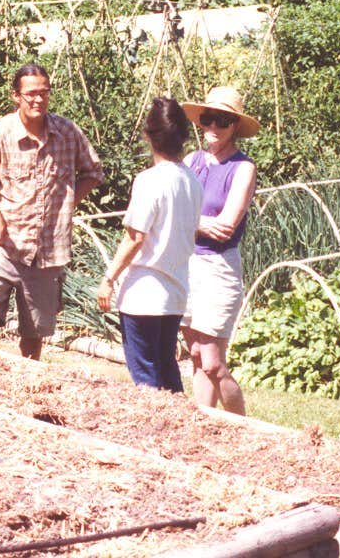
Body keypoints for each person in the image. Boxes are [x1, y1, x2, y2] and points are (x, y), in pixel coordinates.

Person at [0, 63, 103, 360]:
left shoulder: (67, 132)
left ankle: (25, 382)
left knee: (33, 334)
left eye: (44, 92)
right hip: (2, 245)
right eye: (31, 94)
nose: (38, 100)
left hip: (47, 251)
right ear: (16, 96)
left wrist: (68, 203)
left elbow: (93, 172)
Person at [96, 98, 202, 392]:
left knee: (146, 380)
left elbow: (135, 238)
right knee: (167, 371)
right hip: (175, 293)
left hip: (144, 294)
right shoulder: (192, 181)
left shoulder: (149, 181)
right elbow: (192, 235)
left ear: (148, 135)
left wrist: (109, 278)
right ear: (183, 137)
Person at [178, 86, 260, 415]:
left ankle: (243, 425)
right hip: (187, 264)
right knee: (196, 355)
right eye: (208, 118)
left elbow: (225, 226)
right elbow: (172, 213)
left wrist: (188, 220)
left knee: (213, 362)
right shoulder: (191, 161)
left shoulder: (243, 168)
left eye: (223, 121)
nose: (214, 126)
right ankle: (206, 423)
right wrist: (198, 222)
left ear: (235, 126)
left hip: (218, 268)